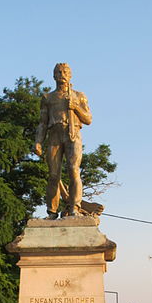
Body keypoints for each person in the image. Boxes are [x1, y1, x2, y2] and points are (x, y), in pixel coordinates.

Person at [34, 63, 92, 218]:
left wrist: (76, 107)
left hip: (73, 135)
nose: (62, 74)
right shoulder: (48, 98)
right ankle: (52, 211)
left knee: (73, 170)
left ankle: (74, 207)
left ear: (70, 75)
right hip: (54, 135)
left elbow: (88, 119)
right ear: (54, 76)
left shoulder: (79, 96)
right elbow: (42, 122)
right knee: (54, 175)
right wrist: (38, 141)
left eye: (65, 72)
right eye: (58, 72)